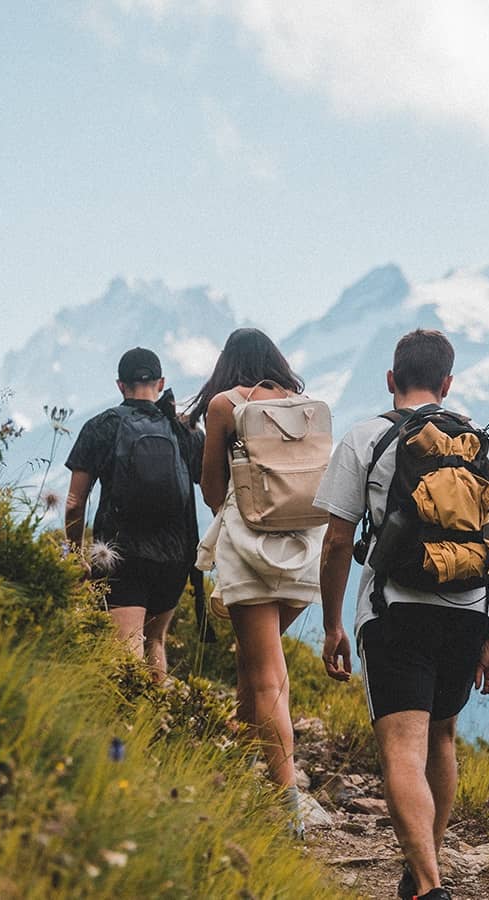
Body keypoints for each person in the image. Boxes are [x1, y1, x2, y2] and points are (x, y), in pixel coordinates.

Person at [314, 329, 489, 900]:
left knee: (401, 752)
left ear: (391, 380)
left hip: (395, 611)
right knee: (442, 740)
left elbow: (337, 542)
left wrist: (333, 623)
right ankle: (419, 875)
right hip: (467, 613)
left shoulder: (367, 438)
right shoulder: (485, 445)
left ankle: (430, 885)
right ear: (448, 383)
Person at [186, 327, 324, 834]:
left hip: (249, 548)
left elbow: (212, 489)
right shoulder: (302, 406)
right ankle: (244, 765)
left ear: (227, 362)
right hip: (303, 550)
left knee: (266, 673)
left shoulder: (224, 405)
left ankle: (287, 804)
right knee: (253, 662)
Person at [65, 346, 202, 681]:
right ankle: (155, 725)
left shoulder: (101, 426)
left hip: (120, 554)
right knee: (155, 641)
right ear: (161, 382)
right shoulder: (185, 432)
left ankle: (126, 726)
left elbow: (73, 502)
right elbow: (212, 490)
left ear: (119, 385)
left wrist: (74, 551)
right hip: (175, 555)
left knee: (125, 645)